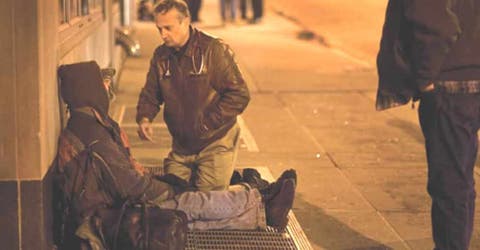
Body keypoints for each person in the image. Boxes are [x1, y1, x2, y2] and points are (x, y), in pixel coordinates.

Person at [56, 61, 294, 233]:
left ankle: (260, 206)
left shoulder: (90, 124)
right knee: (191, 203)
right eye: (103, 83)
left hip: (108, 212)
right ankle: (259, 200)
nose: (107, 88)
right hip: (109, 219)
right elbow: (132, 187)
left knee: (191, 217)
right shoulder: (92, 133)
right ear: (88, 90)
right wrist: (170, 189)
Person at [376, 1, 480, 249]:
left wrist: (426, 78)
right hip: (466, 71)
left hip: (451, 80)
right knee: (461, 179)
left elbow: (429, 18)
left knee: (451, 183)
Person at [136, 0, 250, 192]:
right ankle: (229, 182)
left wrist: (207, 124)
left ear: (186, 21)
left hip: (215, 141)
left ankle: (254, 192)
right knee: (171, 195)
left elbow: (239, 94)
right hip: (182, 147)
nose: (163, 35)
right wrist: (145, 117)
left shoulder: (212, 50)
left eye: (168, 28)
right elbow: (151, 92)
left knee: (207, 202)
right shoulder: (161, 56)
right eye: (159, 29)